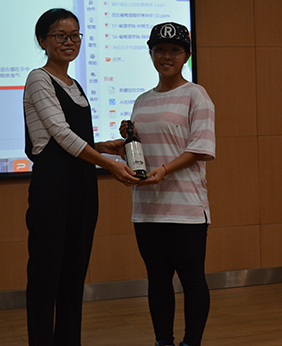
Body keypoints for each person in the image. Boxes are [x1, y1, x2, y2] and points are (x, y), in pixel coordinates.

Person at [23, 8, 139, 346]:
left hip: (83, 189)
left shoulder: (74, 85)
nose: (69, 42)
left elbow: (73, 139)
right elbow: (60, 135)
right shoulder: (39, 79)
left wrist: (106, 147)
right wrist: (108, 164)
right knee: (46, 277)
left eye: (75, 35)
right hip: (52, 189)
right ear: (42, 41)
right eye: (60, 35)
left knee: (73, 278)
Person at [119, 22, 216, 346]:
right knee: (157, 280)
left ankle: (191, 342)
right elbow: (143, 150)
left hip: (185, 208)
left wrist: (163, 170)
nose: (166, 56)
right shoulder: (142, 101)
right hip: (147, 208)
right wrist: (125, 141)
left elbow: (200, 148)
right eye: (159, 50)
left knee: (192, 279)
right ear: (151, 53)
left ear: (186, 55)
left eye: (175, 50)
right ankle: (163, 341)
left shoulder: (196, 95)